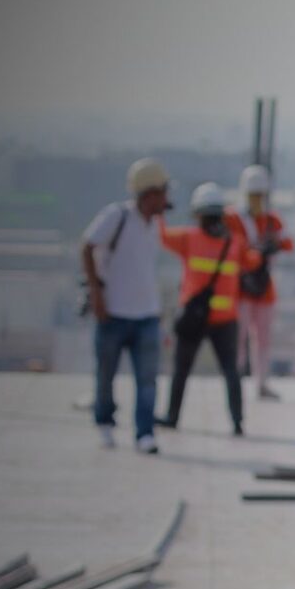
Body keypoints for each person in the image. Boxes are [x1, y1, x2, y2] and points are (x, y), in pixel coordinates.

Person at [80, 157, 172, 452]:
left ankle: (145, 433)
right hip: (113, 314)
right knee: (106, 375)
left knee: (147, 380)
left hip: (147, 315)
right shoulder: (116, 216)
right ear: (151, 193)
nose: (166, 199)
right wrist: (96, 293)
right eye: (163, 192)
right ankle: (105, 422)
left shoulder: (155, 225)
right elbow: (87, 246)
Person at [157, 183, 259, 437]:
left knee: (181, 371)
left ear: (198, 214)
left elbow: (162, 236)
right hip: (226, 319)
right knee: (230, 371)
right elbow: (253, 260)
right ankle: (237, 422)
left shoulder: (189, 238)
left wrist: (160, 211)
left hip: (194, 317)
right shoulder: (234, 243)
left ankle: (172, 417)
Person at [232, 163, 293, 403]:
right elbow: (232, 247)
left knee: (264, 338)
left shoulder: (271, 220)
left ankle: (262, 383)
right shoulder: (235, 219)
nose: (257, 200)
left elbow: (288, 243)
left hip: (264, 288)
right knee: (239, 338)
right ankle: (235, 380)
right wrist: (253, 252)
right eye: (253, 195)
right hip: (241, 289)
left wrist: (273, 244)